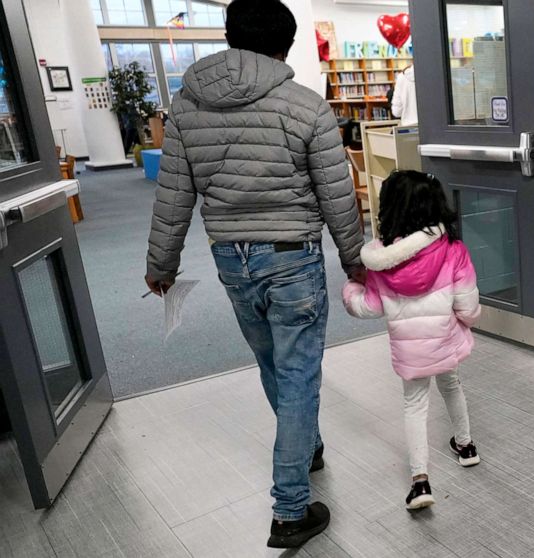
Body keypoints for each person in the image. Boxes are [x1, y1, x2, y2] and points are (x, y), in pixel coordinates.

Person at [144, 0, 365, 548]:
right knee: (297, 373)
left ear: (228, 35)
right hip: (292, 256)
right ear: (286, 46)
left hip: (231, 259)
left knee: (273, 362)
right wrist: (355, 259)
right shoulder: (307, 106)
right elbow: (338, 197)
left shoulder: (187, 107)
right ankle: (290, 509)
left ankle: (306, 444)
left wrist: (161, 265)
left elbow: (174, 196)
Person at [342, 170, 481, 510]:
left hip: (411, 352)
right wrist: (463, 322)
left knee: (414, 407)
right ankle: (466, 447)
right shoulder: (453, 251)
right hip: (445, 341)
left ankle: (420, 482)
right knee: (452, 387)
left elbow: (370, 307)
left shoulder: (381, 262)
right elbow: (469, 307)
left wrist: (351, 290)